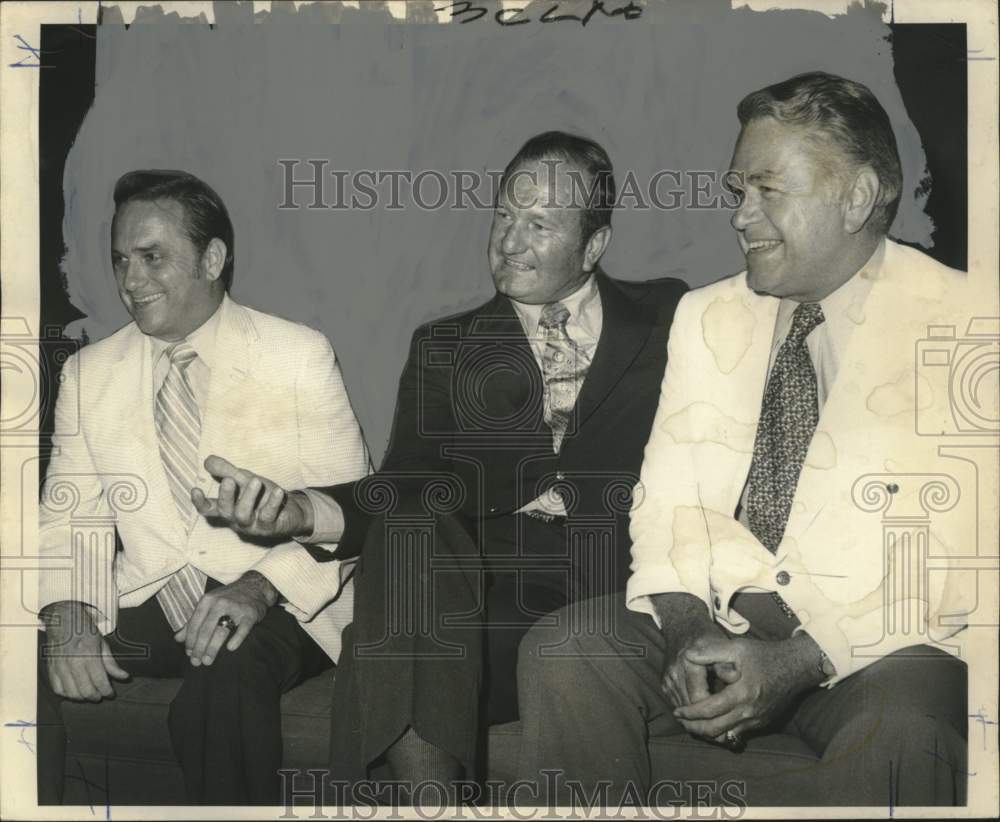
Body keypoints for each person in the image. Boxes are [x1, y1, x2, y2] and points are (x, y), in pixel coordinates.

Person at [516, 72, 972, 806]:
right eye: (737, 190)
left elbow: (956, 566)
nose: (740, 216)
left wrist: (797, 660)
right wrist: (688, 630)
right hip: (725, 614)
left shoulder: (963, 322)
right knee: (564, 651)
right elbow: (665, 503)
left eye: (768, 190)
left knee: (908, 733)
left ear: (857, 198)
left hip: (877, 646)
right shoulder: (706, 315)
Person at [196, 131, 688, 798]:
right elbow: (406, 484)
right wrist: (300, 511)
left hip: (620, 590)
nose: (508, 242)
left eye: (538, 224)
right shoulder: (446, 346)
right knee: (407, 535)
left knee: (400, 640)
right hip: (487, 608)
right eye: (503, 216)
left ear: (593, 244)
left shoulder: (669, 318)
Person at [37, 170, 370, 805]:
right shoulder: (87, 373)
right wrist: (69, 610)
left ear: (212, 258)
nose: (130, 282)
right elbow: (68, 516)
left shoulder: (297, 355)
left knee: (230, 671)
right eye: (120, 260)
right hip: (152, 593)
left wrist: (256, 588)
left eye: (152, 258)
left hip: (275, 599)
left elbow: (352, 516)